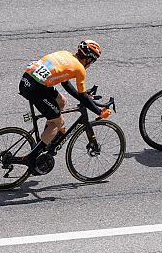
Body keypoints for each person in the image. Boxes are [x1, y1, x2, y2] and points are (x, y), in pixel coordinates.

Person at [19, 40, 111, 170]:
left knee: (61, 102)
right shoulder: (80, 69)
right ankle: (31, 158)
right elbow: (83, 96)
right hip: (36, 88)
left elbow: (66, 84)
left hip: (27, 80)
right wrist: (99, 112)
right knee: (59, 124)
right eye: (93, 61)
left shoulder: (66, 54)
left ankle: (46, 138)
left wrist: (84, 97)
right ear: (89, 59)